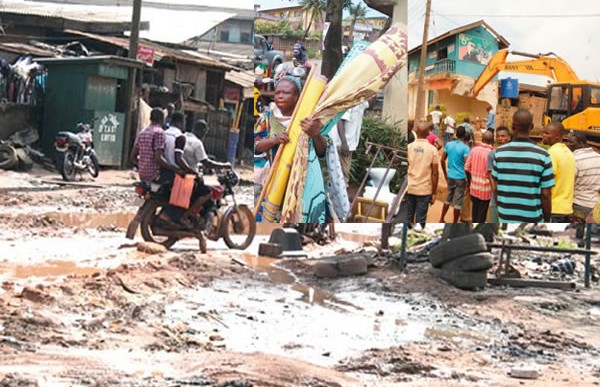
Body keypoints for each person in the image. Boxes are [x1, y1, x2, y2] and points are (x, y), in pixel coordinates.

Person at [254, 75, 326, 205]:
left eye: (286, 93)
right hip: (276, 182)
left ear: (297, 97)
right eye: (277, 93)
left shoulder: (310, 120)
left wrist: (315, 134)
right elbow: (257, 146)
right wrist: (274, 140)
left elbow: (322, 152)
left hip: (305, 184)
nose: (280, 96)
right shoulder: (267, 118)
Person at [492, 109, 555, 223]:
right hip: (533, 217)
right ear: (531, 126)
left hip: (505, 216)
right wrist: (547, 219)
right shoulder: (543, 155)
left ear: (512, 126)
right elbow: (546, 194)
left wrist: (501, 208)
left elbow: (495, 187)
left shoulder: (499, 153)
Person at [403, 122, 439, 226]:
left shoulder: (409, 147)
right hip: (424, 190)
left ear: (416, 132)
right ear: (428, 133)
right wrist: (434, 192)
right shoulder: (433, 150)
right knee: (421, 219)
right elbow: (435, 173)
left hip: (410, 188)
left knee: (408, 217)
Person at [329, 100, 370, 185]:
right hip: (342, 144)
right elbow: (339, 120)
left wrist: (376, 91)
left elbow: (371, 105)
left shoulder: (361, 101)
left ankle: (340, 194)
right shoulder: (351, 102)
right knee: (342, 176)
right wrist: (344, 143)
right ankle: (341, 195)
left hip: (350, 144)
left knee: (343, 174)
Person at [542, 122, 575, 222]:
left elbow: (546, 188)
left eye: (547, 133)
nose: (543, 135)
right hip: (567, 209)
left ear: (557, 136)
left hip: (553, 208)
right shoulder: (569, 152)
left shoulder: (552, 153)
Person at [566, 131, 600, 222]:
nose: (567, 144)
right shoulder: (598, 157)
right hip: (595, 206)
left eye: (570, 142)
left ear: (581, 143)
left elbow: (568, 184)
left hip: (578, 205)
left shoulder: (574, 159)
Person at [440, 126, 470, 223]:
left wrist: (445, 173)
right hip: (460, 177)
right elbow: (467, 165)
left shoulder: (449, 145)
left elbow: (442, 160)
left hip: (450, 176)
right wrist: (469, 179)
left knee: (448, 198)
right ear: (464, 135)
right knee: (458, 203)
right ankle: (454, 222)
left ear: (456, 133)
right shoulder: (465, 148)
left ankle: (441, 219)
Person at [465, 130, 494, 222]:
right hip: (485, 189)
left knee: (475, 211)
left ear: (482, 139)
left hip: (474, 187)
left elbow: (466, 168)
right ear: (492, 140)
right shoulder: (492, 153)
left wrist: (470, 182)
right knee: (482, 214)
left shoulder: (474, 150)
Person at [487, 126, 511, 223]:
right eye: (498, 136)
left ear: (509, 137)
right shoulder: (492, 154)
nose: (500, 138)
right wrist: (496, 195)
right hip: (496, 198)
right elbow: (490, 175)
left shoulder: (513, 153)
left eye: (503, 136)